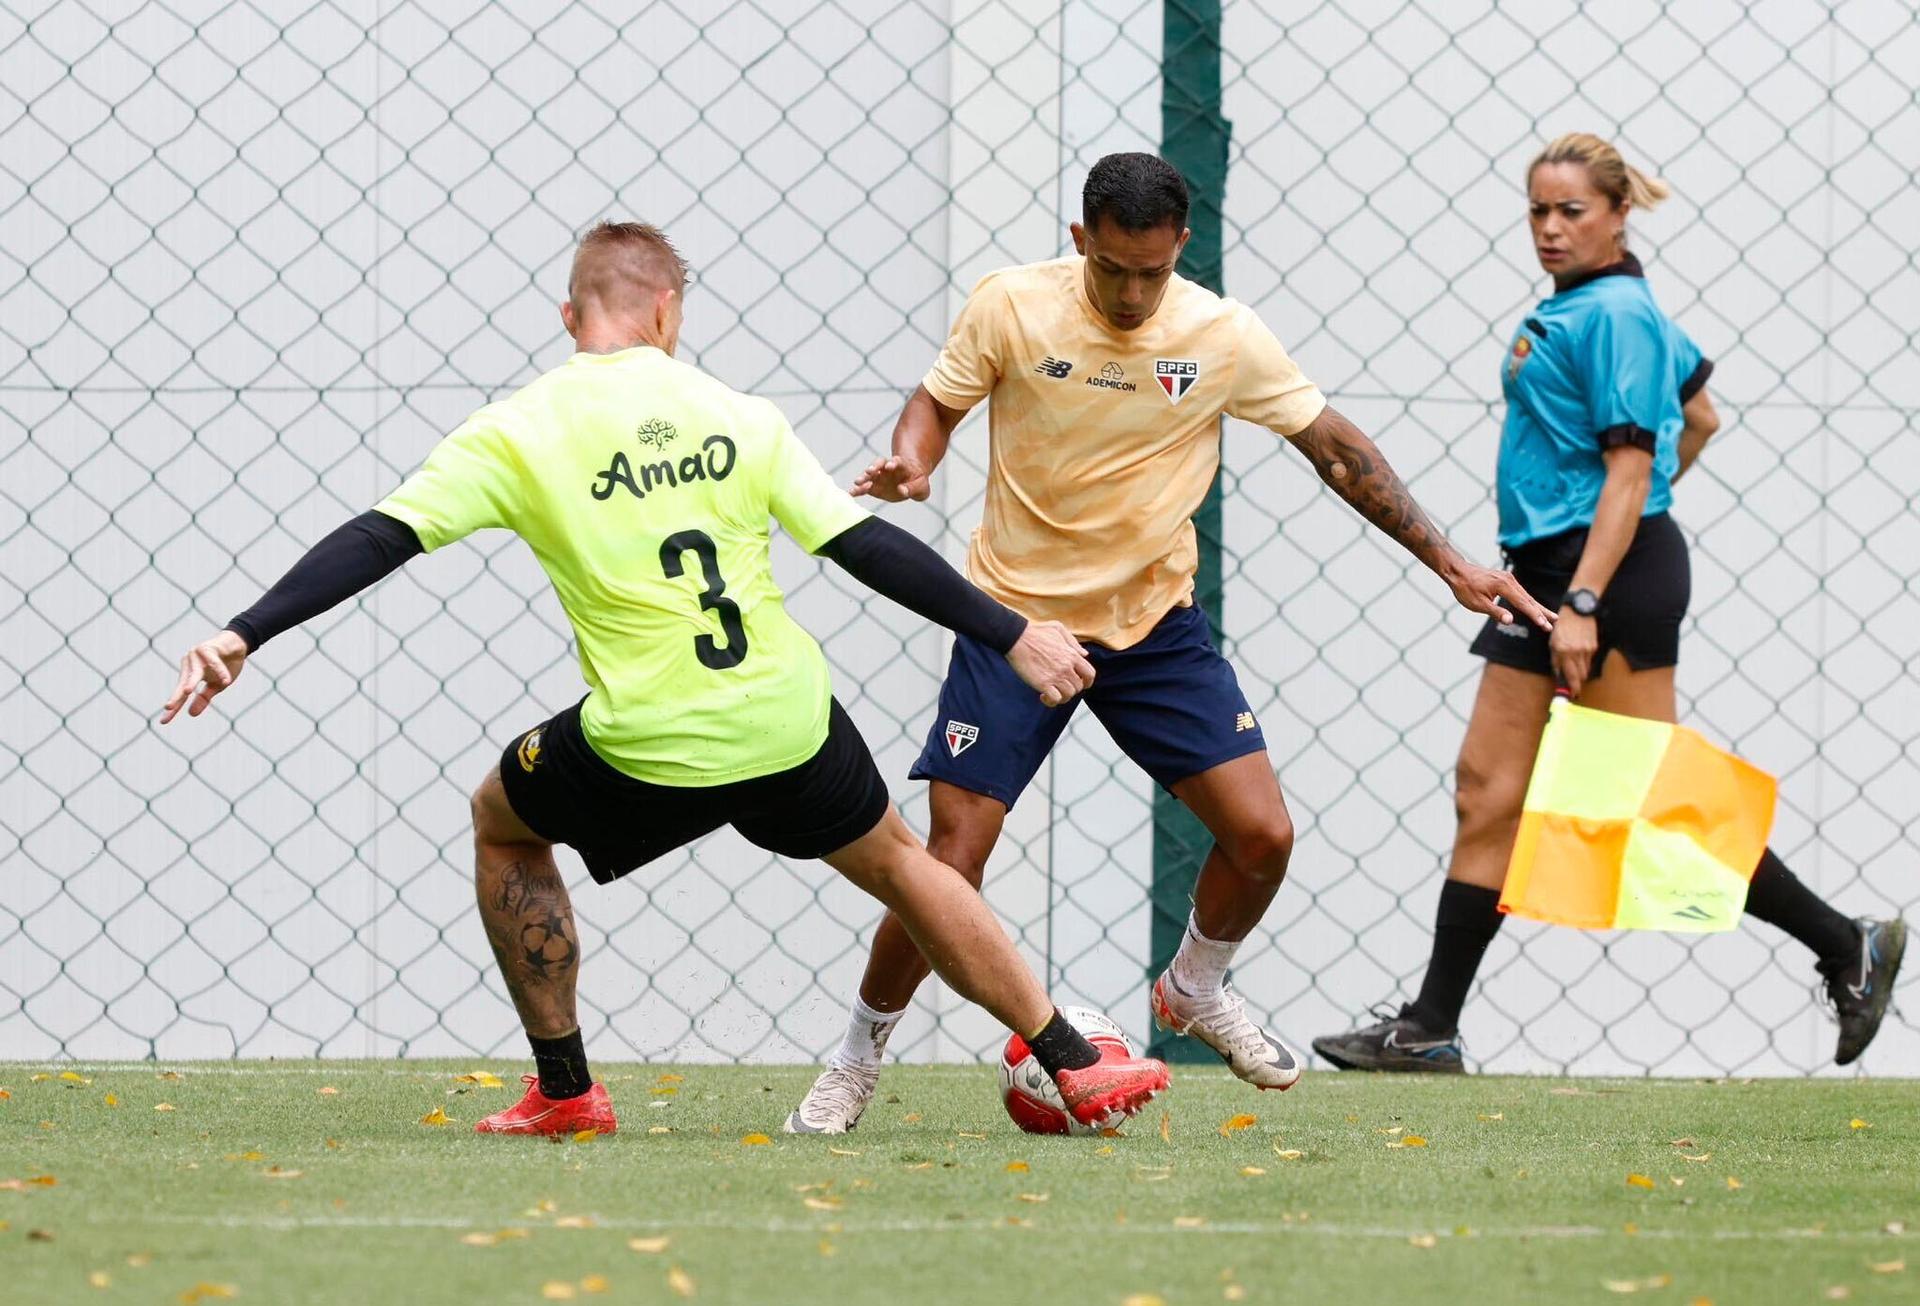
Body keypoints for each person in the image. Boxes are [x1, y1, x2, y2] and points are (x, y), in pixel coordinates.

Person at [160, 220, 1173, 1135]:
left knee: (502, 819)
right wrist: (1010, 632)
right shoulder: (739, 413)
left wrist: (248, 630)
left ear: (570, 313)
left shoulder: (518, 428)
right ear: (666, 306)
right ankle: (1071, 1059)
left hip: (646, 746)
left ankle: (566, 1090)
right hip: (788, 724)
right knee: (908, 866)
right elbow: (863, 546)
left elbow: (381, 538)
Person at [783, 153, 1555, 1134]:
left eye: (1152, 272)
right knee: (950, 861)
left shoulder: (1220, 334)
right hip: (1017, 623)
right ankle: (857, 1055)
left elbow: (1334, 448)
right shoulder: (1012, 306)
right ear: (1080, 244)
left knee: (1263, 835)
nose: (1134, 293)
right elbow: (938, 401)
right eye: (1113, 271)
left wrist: (1447, 560)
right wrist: (914, 460)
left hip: (1154, 627)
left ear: (1180, 247)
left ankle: (1193, 986)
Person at [1312, 133, 1906, 1074]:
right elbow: (1699, 413)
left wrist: (1593, 584)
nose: (1549, 229)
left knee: (1651, 798)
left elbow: (1637, 461)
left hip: (1599, 585)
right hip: (1547, 576)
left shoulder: (1620, 313)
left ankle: (1847, 945)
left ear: (1620, 213)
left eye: (1572, 212)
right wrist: (1604, 533)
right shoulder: (1591, 304)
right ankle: (1428, 1028)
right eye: (1538, 211)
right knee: (1488, 792)